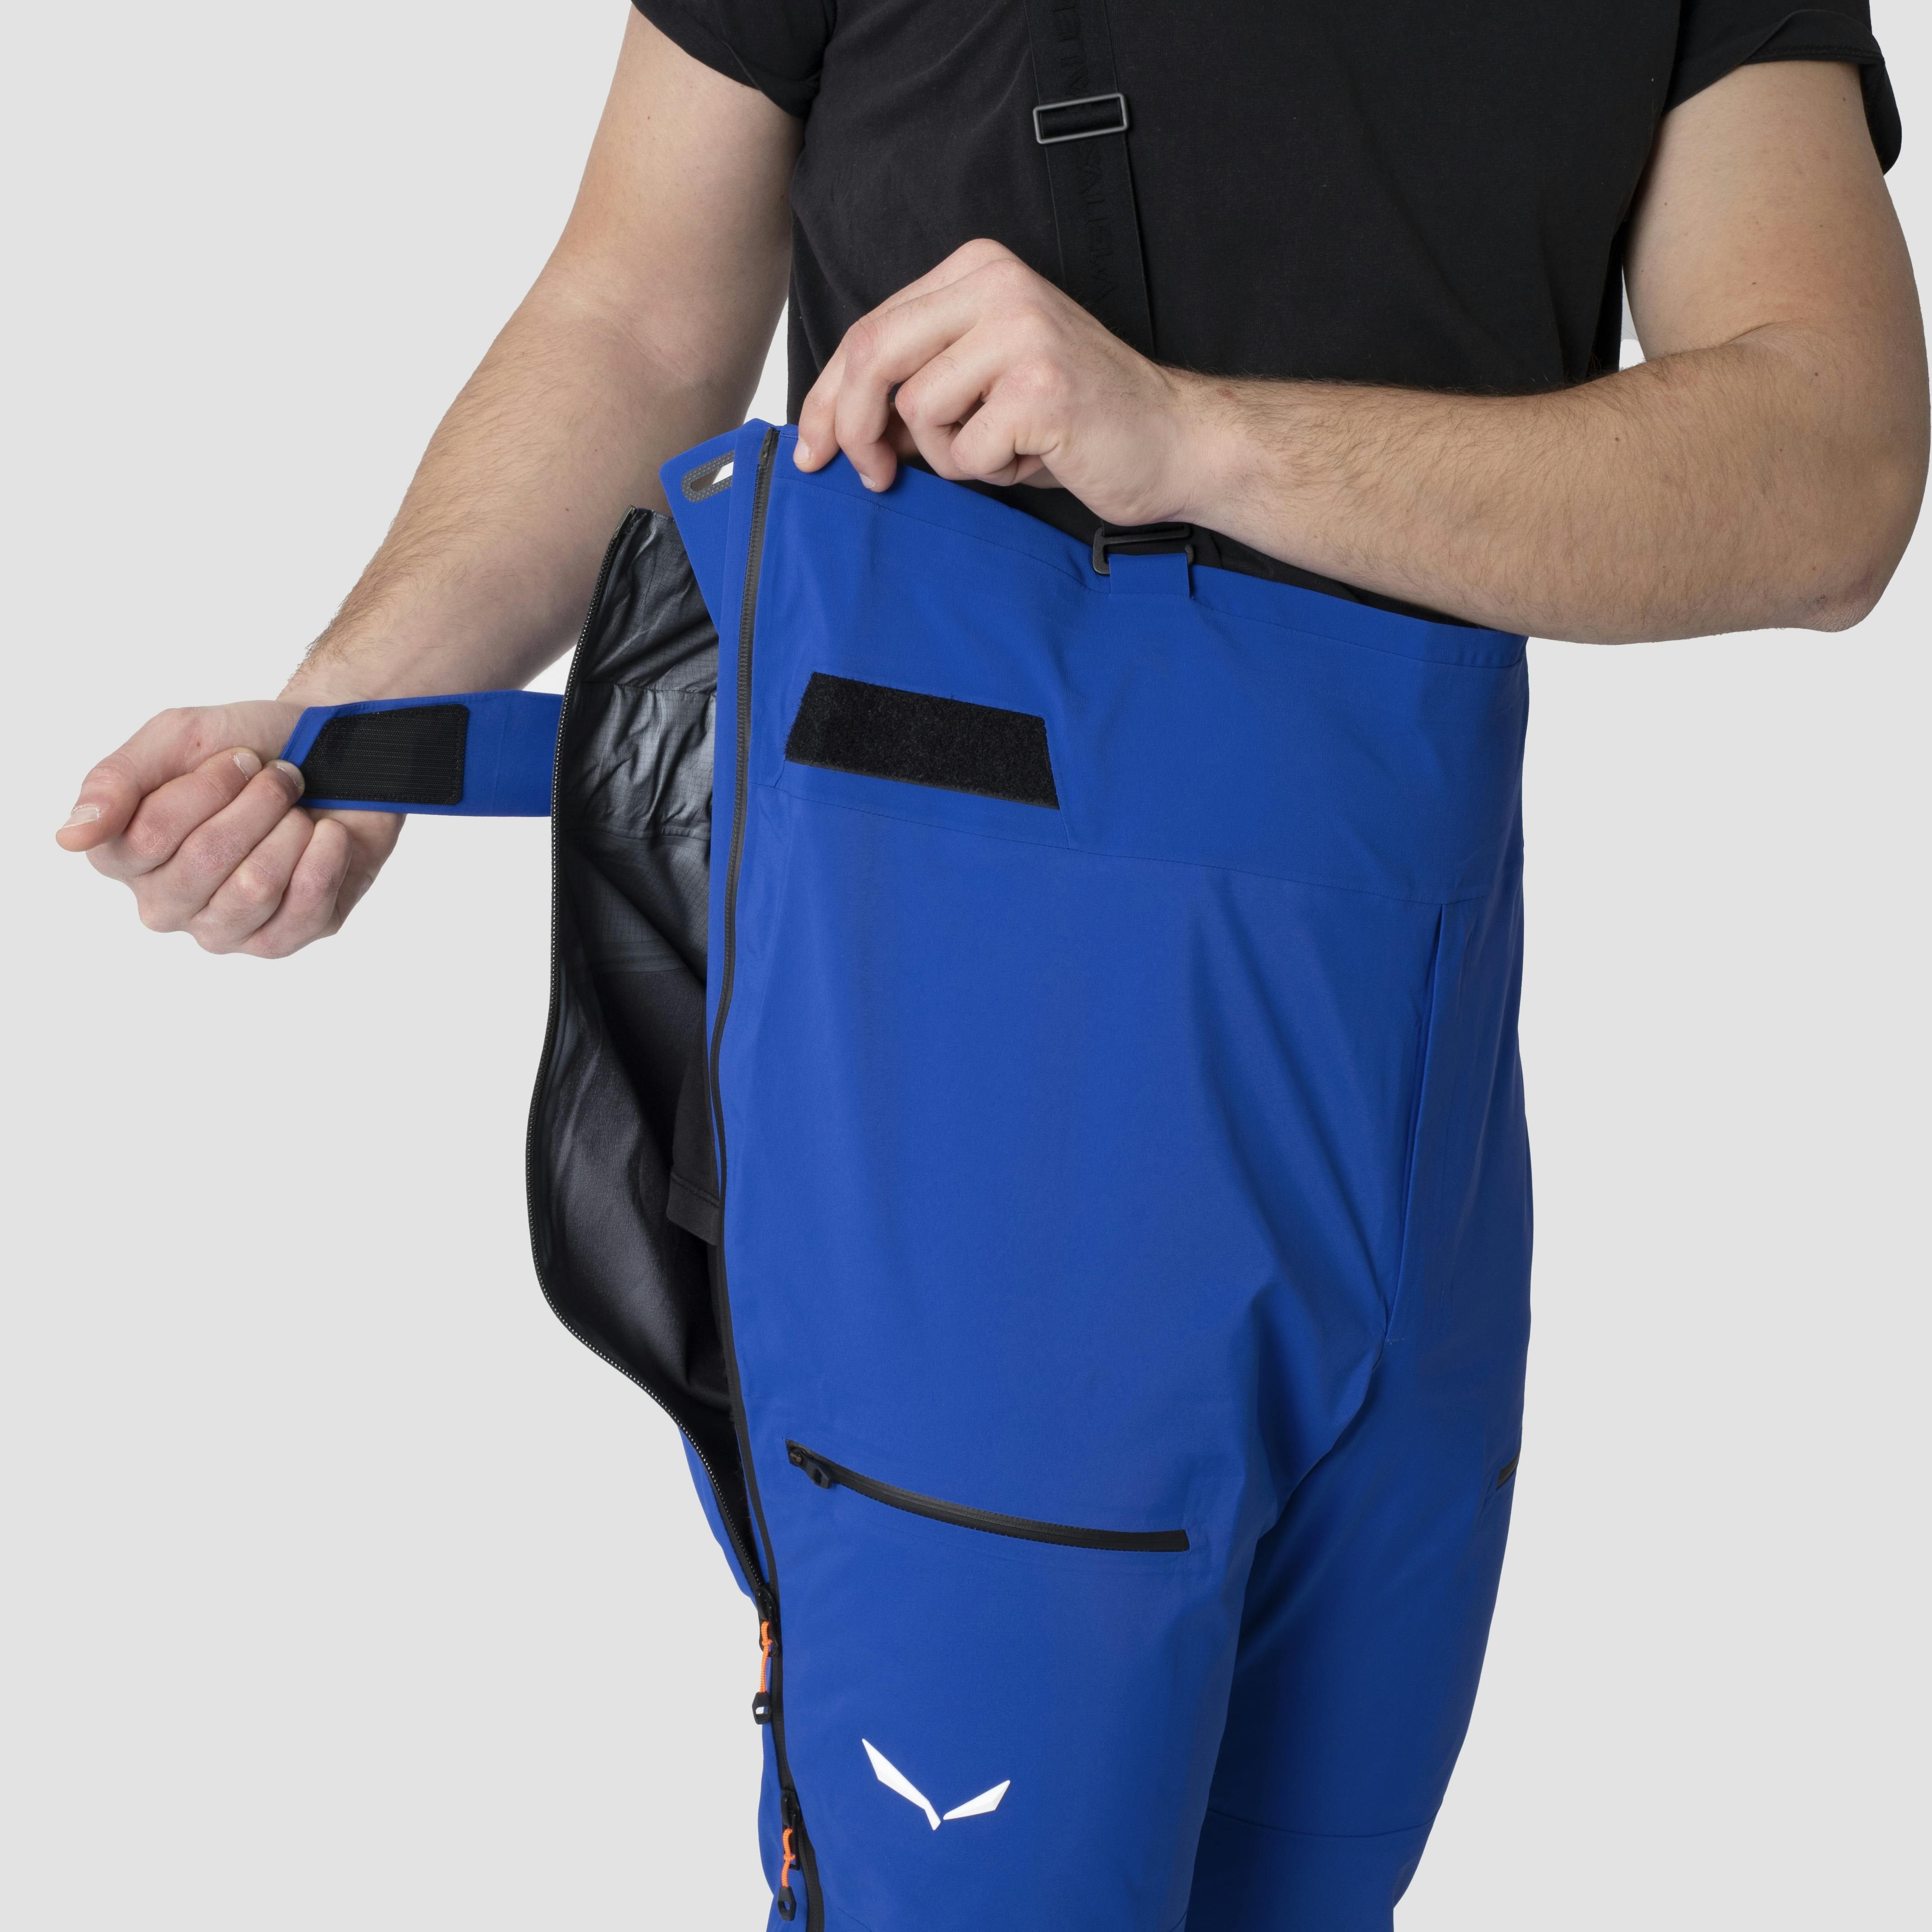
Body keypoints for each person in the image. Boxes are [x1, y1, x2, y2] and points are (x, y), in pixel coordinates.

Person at [53, 5, 1926, 1927]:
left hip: (1413, 1071)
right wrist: (352, 723)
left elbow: (1833, 464)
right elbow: (636, 313)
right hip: (981, 1062)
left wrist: (1193, 437)